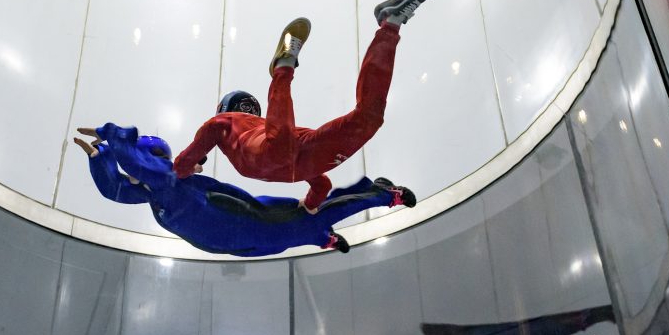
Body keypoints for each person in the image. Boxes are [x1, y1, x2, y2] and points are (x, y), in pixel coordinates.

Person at [172, 0, 435, 212]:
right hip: (298, 157)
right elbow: (322, 184)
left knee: (363, 120)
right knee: (365, 121)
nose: (248, 114)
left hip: (294, 148)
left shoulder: (225, 123)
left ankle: (287, 64)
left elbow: (185, 161)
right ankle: (388, 24)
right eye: (244, 109)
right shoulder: (224, 122)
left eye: (250, 110)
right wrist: (309, 206)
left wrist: (187, 165)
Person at [73, 123, 415, 256]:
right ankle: (321, 237)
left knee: (304, 221)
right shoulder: (155, 197)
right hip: (235, 240)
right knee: (292, 234)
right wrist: (99, 156)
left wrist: (112, 138)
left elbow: (135, 168)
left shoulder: (168, 183)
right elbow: (115, 189)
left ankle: (382, 193)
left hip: (245, 221)